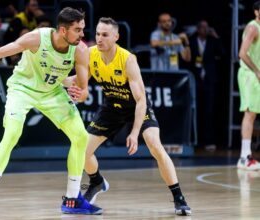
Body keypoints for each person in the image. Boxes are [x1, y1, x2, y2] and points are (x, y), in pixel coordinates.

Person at [0, 7, 102, 215]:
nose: (83, 34)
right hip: (23, 89)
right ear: (63, 30)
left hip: (52, 92)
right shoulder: (37, 38)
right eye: (78, 30)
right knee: (12, 134)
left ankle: (73, 199)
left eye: (83, 29)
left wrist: (81, 93)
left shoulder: (81, 50)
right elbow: (0, 52)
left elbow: (82, 87)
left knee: (81, 137)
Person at [66, 17, 191, 216]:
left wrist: (134, 133)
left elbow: (141, 100)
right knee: (81, 151)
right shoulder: (90, 54)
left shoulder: (127, 59)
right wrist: (52, 78)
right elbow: (78, 79)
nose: (99, 38)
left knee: (154, 144)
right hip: (112, 107)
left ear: (116, 37)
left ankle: (179, 198)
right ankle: (97, 181)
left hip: (136, 106)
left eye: (105, 35)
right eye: (97, 34)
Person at [188, 20, 224, 152]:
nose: (205, 29)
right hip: (195, 78)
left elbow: (221, 53)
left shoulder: (212, 40)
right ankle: (194, 139)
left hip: (209, 79)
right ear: (197, 29)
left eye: (206, 27)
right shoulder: (192, 40)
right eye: (202, 27)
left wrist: (216, 36)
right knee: (194, 109)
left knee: (209, 111)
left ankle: (209, 140)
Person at [236, 1, 260, 171]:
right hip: (249, 75)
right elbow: (242, 53)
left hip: (255, 75)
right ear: (256, 11)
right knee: (250, 114)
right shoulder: (253, 27)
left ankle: (246, 156)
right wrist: (257, 71)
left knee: (252, 114)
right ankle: (245, 157)